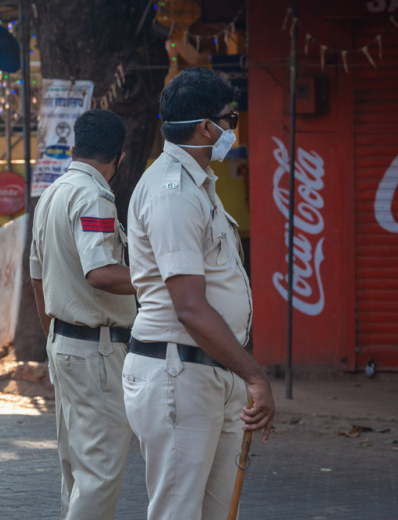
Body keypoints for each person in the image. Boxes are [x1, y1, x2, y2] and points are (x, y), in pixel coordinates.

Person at [124, 68, 276, 519]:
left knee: (218, 510)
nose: (233, 129)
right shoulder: (172, 192)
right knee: (179, 511)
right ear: (207, 127)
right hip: (178, 372)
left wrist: (240, 371)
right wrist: (255, 376)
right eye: (231, 119)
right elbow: (189, 307)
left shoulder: (198, 185)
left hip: (210, 370)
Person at [30, 109, 136, 520]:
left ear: (74, 149)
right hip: (97, 352)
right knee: (100, 472)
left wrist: (53, 339)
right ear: (119, 158)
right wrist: (161, 278)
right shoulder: (94, 196)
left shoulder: (53, 194)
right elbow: (102, 272)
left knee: (76, 469)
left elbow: (37, 278)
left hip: (67, 343)